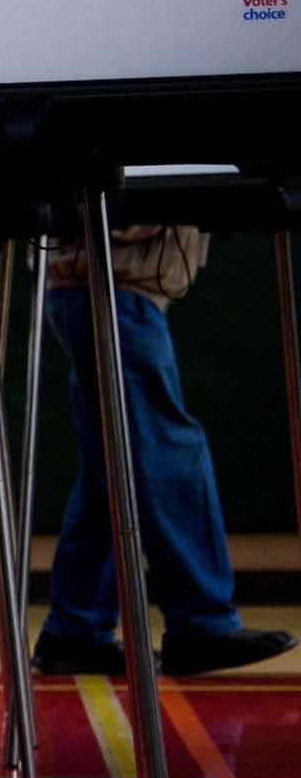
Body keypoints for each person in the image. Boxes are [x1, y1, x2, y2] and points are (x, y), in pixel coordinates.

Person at [31, 224, 296, 678]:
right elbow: (122, 204)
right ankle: (201, 621)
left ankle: (75, 630)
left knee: (112, 470)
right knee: (168, 455)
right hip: (113, 289)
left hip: (101, 287)